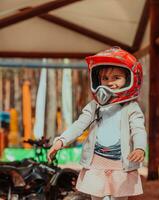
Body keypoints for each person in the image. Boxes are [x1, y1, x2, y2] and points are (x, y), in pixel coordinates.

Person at [47, 47, 147, 200]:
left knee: (119, 197)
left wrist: (140, 147)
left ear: (130, 79)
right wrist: (61, 141)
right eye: (105, 78)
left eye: (116, 78)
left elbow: (138, 129)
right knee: (96, 197)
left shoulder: (131, 107)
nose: (109, 83)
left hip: (120, 165)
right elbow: (79, 124)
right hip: (96, 163)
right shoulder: (95, 106)